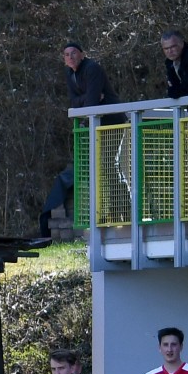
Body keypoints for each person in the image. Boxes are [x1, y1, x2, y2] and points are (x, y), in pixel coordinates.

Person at [37, 42, 120, 242]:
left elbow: (91, 102)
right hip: (90, 126)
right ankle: (104, 214)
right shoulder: (69, 73)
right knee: (96, 169)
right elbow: (74, 101)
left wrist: (86, 100)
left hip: (111, 123)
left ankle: (120, 212)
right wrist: (86, 100)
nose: (70, 57)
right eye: (66, 54)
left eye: (73, 53)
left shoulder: (92, 69)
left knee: (111, 168)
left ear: (82, 54)